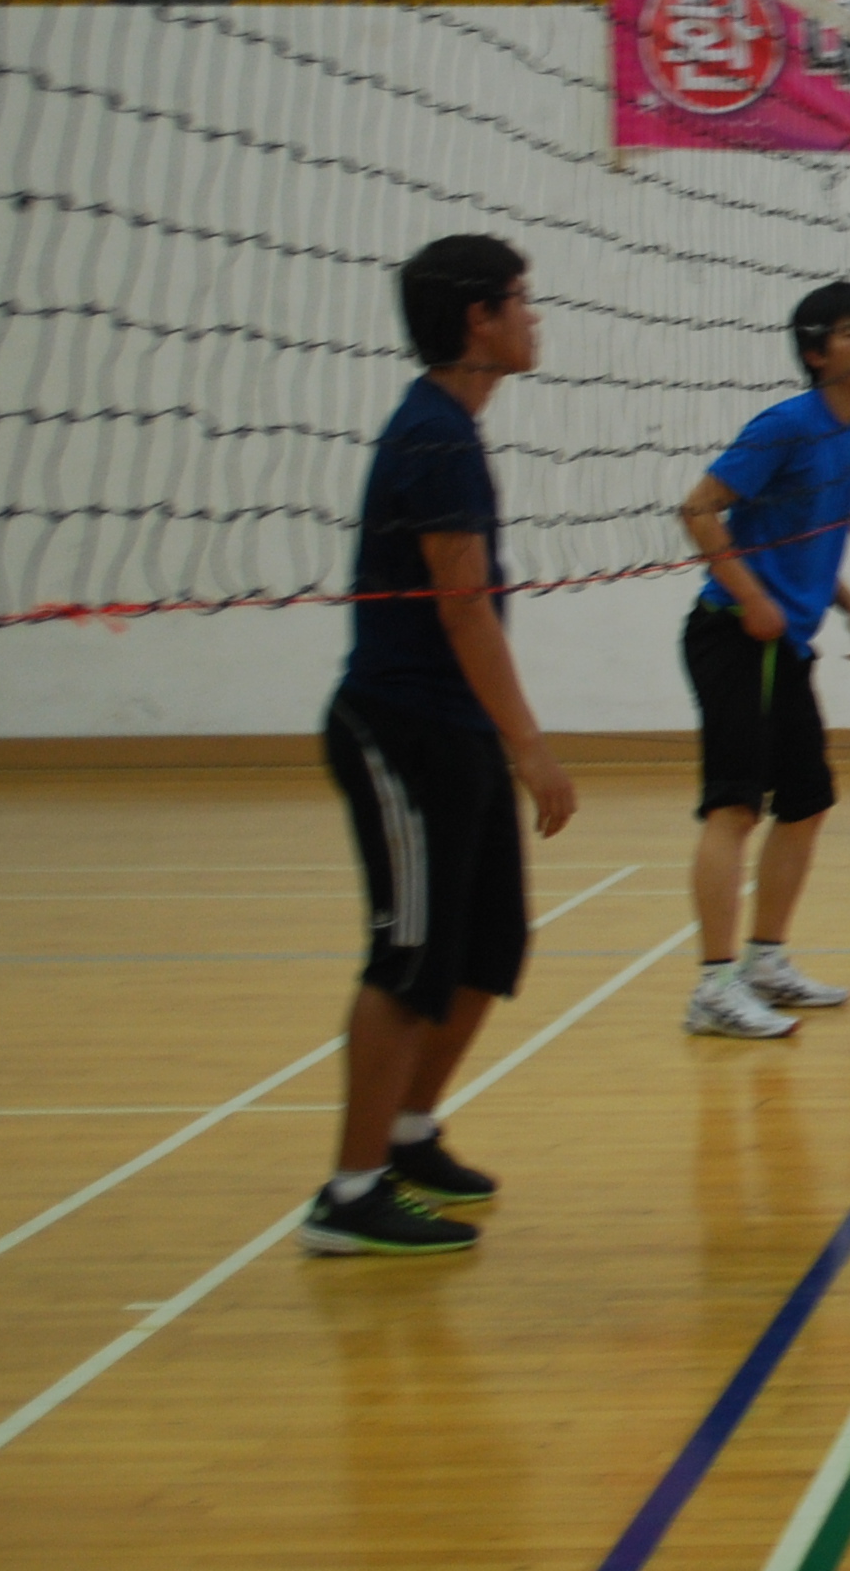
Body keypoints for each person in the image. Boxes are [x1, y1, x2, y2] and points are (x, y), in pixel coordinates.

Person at [301, 236, 579, 1256]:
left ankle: (408, 1133)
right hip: (401, 728)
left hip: (454, 728)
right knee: (410, 959)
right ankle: (348, 1194)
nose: (532, 317)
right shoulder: (433, 437)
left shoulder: (452, 428)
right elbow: (463, 608)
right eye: (520, 300)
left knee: (490, 946)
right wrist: (530, 747)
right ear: (478, 318)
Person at [671, 282, 850, 1040]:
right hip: (735, 635)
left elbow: (809, 537)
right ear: (816, 351)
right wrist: (752, 598)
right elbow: (698, 509)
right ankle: (713, 987)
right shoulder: (787, 425)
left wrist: (848, 602)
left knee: (807, 803)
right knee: (734, 808)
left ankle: (764, 962)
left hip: (783, 644)